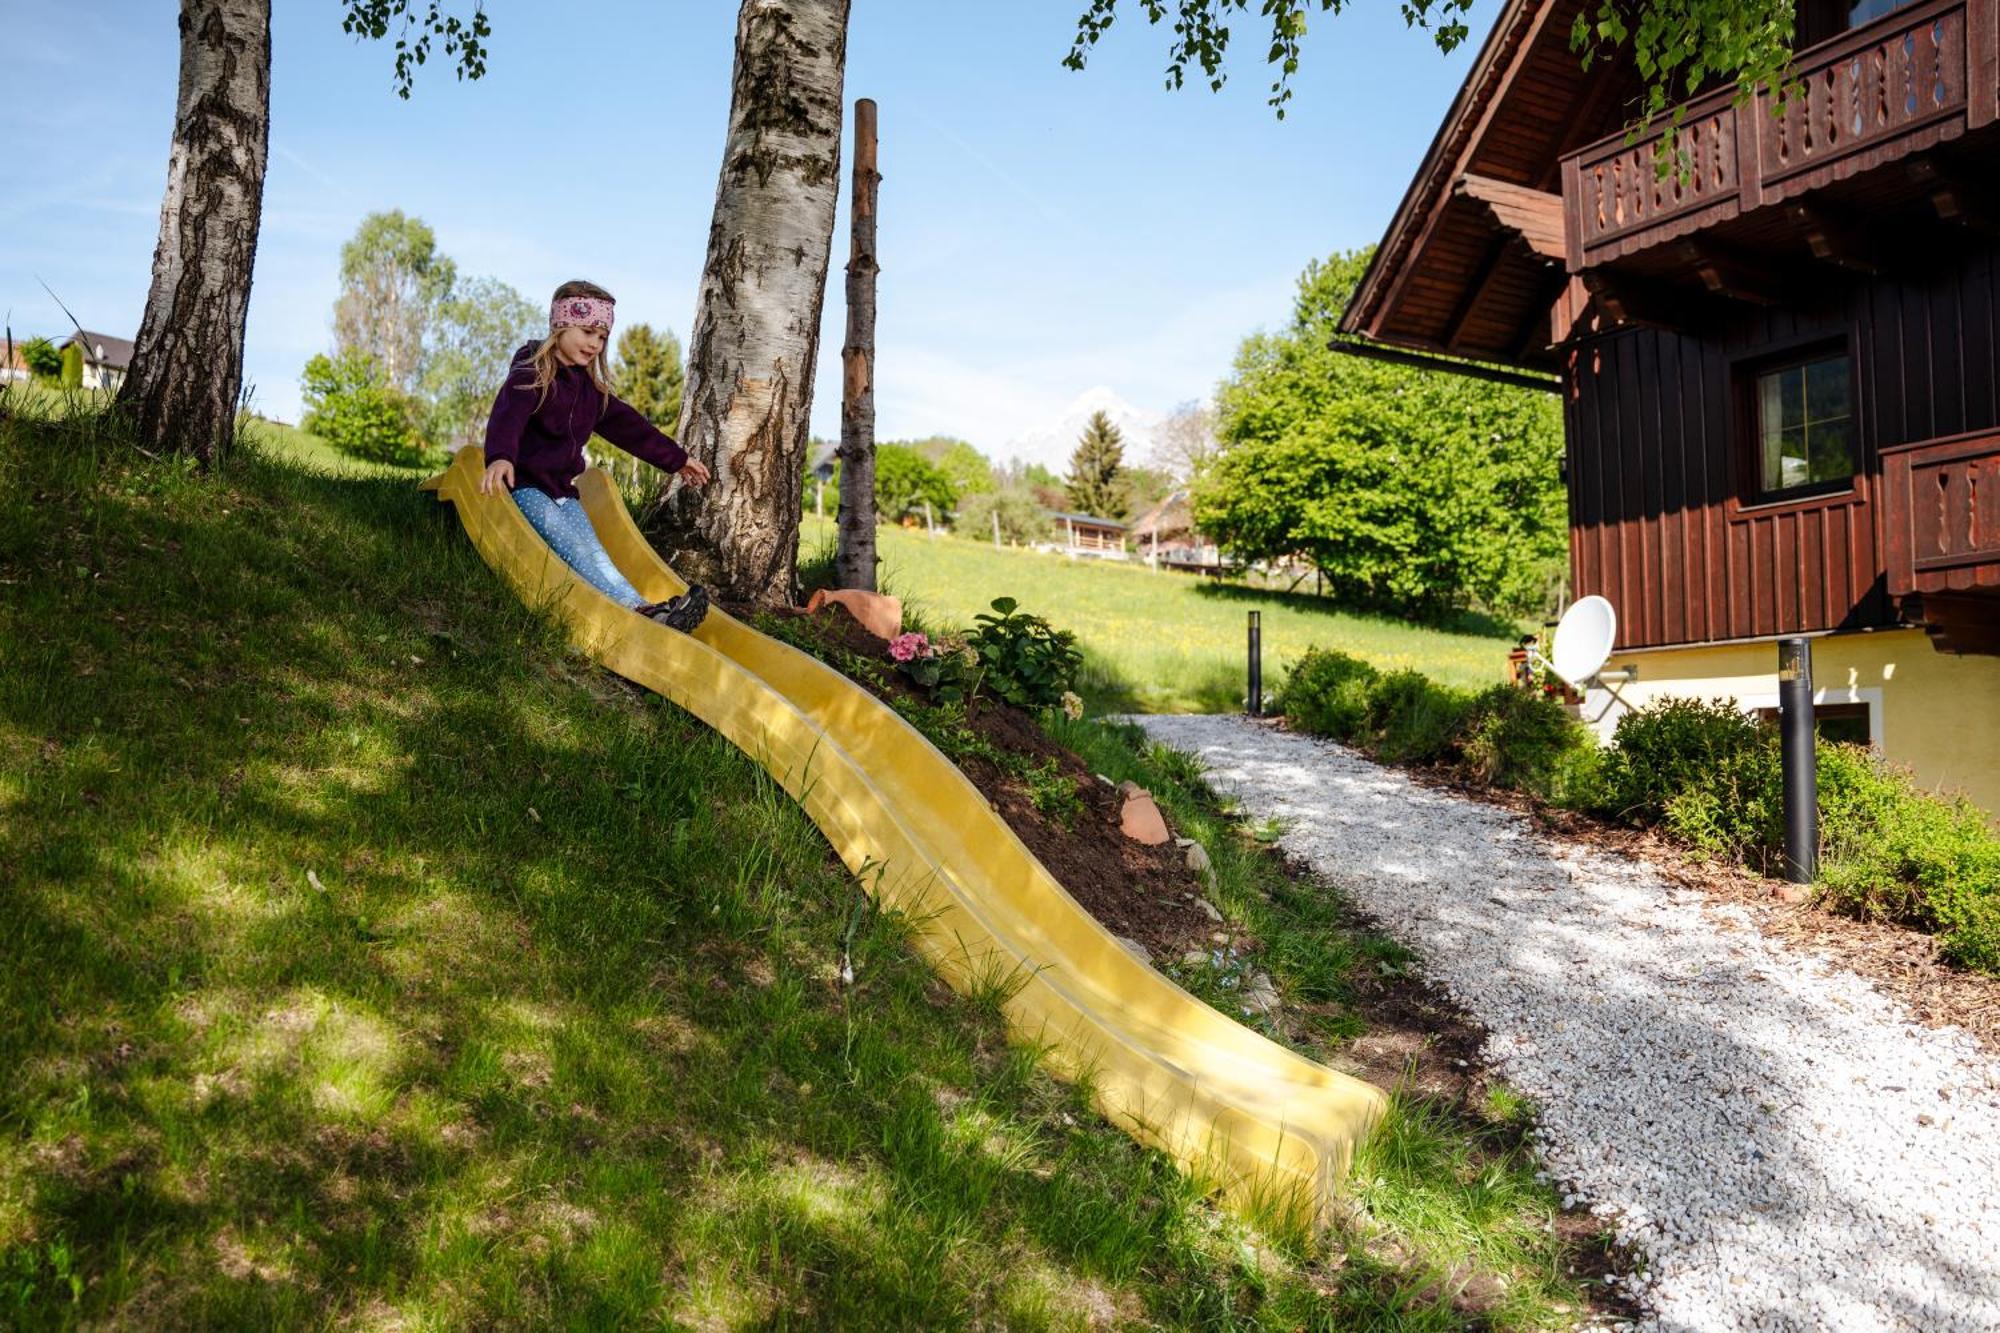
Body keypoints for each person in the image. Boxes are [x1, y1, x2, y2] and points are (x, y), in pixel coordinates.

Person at [479, 279, 713, 632]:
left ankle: (642, 609)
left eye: (602, 337)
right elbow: (507, 416)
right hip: (524, 488)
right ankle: (641, 612)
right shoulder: (532, 373)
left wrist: (677, 460)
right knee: (574, 545)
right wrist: (500, 456)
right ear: (560, 325)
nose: (595, 343)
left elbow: (632, 429)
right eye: (588, 331)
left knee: (594, 553)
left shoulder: (591, 392)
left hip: (562, 492)